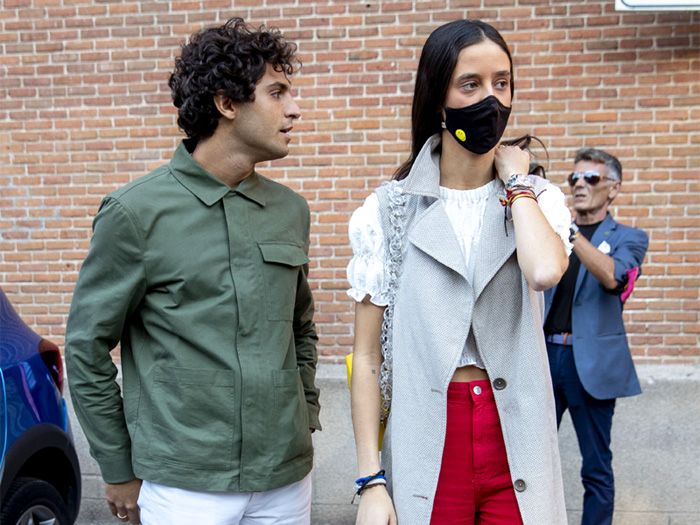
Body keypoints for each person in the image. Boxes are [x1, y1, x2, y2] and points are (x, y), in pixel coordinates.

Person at [65, 18, 320, 525]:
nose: (295, 108)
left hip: (285, 480)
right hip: (185, 488)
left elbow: (300, 327)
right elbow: (86, 348)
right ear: (227, 104)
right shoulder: (134, 213)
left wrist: (305, 413)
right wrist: (117, 467)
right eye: (277, 92)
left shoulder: (290, 209)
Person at [347, 19, 571, 525]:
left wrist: (516, 181)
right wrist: (370, 480)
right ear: (438, 98)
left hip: (517, 435)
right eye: (470, 84)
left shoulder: (537, 201)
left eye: (502, 82)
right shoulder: (388, 211)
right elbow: (364, 355)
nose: (490, 98)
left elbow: (542, 270)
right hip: (428, 432)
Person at [544, 148, 648, 525]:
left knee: (596, 467)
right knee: (530, 459)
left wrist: (569, 233)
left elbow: (612, 276)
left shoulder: (630, 238)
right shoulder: (552, 234)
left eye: (591, 179)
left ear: (613, 189)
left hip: (590, 366)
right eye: (574, 179)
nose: (579, 186)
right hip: (544, 358)